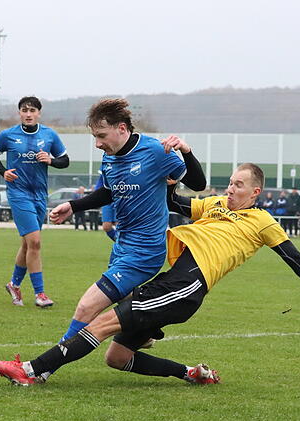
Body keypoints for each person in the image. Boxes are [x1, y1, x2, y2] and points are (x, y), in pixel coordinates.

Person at [0, 163, 300, 386]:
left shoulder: (263, 221)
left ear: (255, 193)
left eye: (239, 185)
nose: (231, 188)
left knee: (101, 322)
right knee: (117, 358)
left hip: (187, 284)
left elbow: (296, 259)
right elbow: (177, 203)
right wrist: (170, 177)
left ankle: (32, 371)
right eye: (231, 182)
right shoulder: (217, 204)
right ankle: (192, 374)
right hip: (175, 279)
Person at [40, 99, 205, 380]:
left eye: (101, 136)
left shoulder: (154, 151)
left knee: (87, 306)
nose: (98, 144)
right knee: (123, 342)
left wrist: (186, 152)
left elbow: (197, 183)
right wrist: (73, 205)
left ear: (121, 129)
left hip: (146, 250)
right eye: (95, 137)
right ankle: (149, 334)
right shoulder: (111, 157)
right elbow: (108, 192)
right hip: (122, 246)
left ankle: (42, 370)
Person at [0, 96, 70, 308]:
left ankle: (14, 284)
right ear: (20, 113)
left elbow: (65, 161)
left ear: (39, 113)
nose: (28, 114)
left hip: (40, 195)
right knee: (35, 242)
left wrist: (51, 160)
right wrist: (3, 172)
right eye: (25, 110)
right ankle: (40, 294)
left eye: (32, 110)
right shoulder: (8, 135)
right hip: (18, 194)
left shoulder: (49, 135)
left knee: (27, 244)